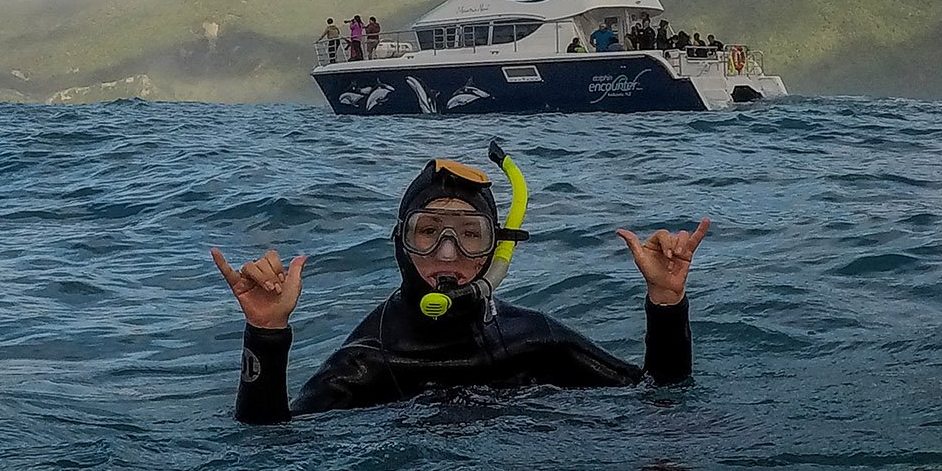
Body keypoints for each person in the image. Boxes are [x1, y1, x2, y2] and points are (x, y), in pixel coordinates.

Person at [214, 149, 708, 424]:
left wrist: (667, 302)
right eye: (427, 233)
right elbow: (269, 445)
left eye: (471, 237)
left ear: (495, 250)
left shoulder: (535, 341)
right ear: (401, 245)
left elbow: (661, 394)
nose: (447, 256)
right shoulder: (367, 362)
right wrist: (266, 333)